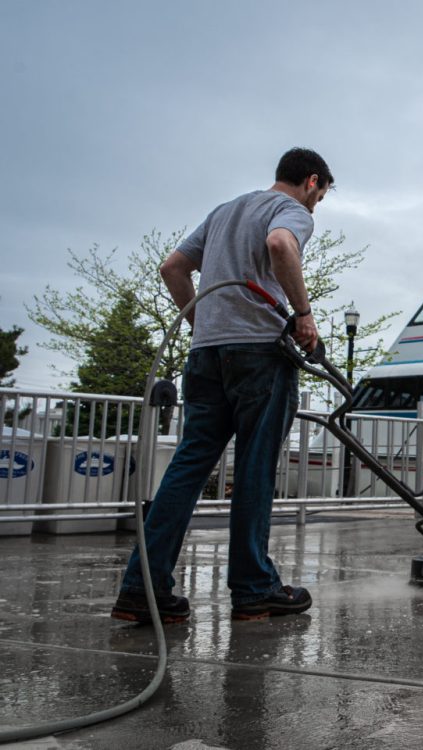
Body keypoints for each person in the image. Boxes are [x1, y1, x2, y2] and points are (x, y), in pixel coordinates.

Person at [112, 147, 332, 623]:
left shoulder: (224, 210)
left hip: (205, 356)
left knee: (187, 469)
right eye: (320, 197)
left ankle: (140, 591)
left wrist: (199, 321)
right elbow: (280, 245)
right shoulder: (290, 210)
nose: (315, 207)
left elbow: (172, 267)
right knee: (254, 470)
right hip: (259, 355)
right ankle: (254, 590)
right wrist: (304, 315)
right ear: (312, 181)